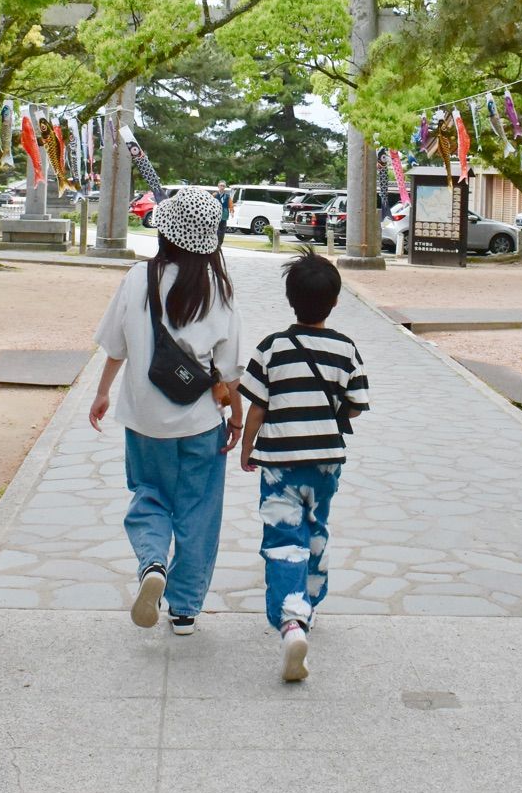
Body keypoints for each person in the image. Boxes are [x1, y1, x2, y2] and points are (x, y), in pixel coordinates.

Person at [90, 187, 243, 634]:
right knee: (199, 511)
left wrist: (102, 392)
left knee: (149, 496)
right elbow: (230, 369)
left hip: (144, 420)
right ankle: (185, 609)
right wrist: (236, 418)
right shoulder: (219, 288)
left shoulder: (137, 278)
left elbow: (115, 346)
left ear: (165, 232)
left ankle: (153, 561)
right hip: (199, 422)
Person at [238, 249, 369, 681]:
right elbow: (355, 407)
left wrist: (247, 446)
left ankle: (292, 619)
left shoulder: (271, 348)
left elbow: (257, 406)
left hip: (280, 465)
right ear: (333, 303)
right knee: (316, 526)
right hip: (326, 463)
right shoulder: (346, 349)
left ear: (290, 299)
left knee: (282, 536)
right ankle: (311, 597)